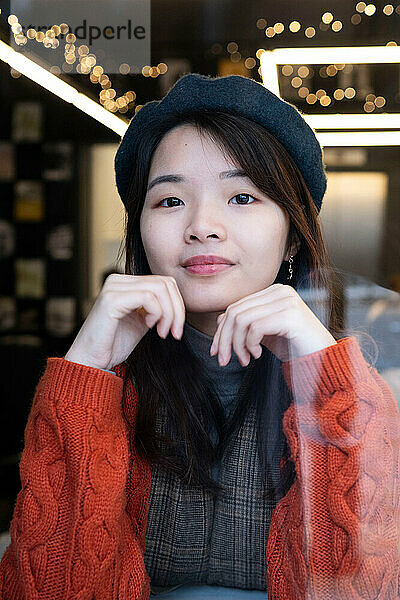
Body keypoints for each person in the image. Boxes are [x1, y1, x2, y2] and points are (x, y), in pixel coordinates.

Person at [0, 72, 399, 600]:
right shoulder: (108, 382)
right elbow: (44, 589)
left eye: (242, 197)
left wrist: (328, 376)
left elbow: (364, 589)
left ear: (292, 239)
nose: (203, 225)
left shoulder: (363, 383)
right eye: (169, 201)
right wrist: (88, 370)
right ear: (140, 233)